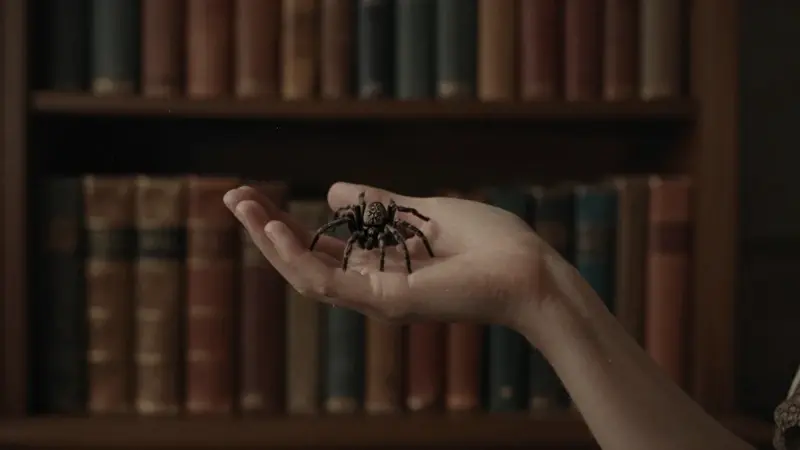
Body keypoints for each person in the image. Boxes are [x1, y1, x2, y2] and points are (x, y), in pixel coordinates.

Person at [224, 182, 755, 450]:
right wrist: (541, 287)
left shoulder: (391, 226)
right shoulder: (357, 219)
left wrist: (419, 240)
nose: (367, 224)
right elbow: (354, 217)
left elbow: (404, 224)